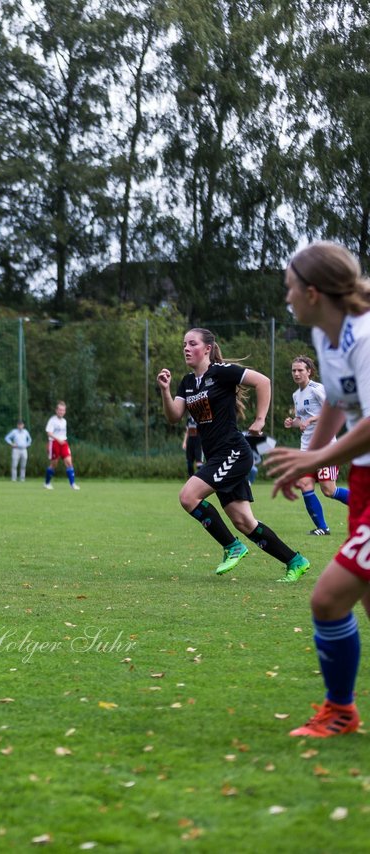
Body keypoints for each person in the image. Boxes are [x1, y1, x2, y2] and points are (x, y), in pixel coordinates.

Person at [265, 241, 370, 738]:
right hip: (364, 482)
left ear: (311, 291)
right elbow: (339, 403)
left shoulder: (365, 335)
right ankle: (343, 712)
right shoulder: (325, 336)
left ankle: (340, 711)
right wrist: (310, 459)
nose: (286, 297)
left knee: (328, 599)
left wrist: (316, 458)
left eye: (289, 287)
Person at [156, 328, 309, 582]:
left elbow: (263, 382)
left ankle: (232, 547)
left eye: (192, 344)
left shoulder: (221, 372)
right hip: (216, 456)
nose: (186, 348)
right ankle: (295, 560)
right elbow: (173, 417)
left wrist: (260, 420)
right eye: (184, 344)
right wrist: (165, 390)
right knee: (244, 522)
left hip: (234, 452)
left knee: (188, 496)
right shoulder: (187, 382)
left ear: (207, 348)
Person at [284, 355, 350, 535]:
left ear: (309, 372)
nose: (296, 373)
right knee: (304, 484)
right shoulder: (296, 395)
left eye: (300, 370)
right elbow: (301, 420)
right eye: (294, 370)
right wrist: (293, 422)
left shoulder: (317, 389)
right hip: (307, 450)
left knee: (329, 490)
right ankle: (322, 527)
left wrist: (312, 418)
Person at [44, 401, 78, 489]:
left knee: (69, 463)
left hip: (63, 443)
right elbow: (49, 433)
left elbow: (63, 434)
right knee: (54, 464)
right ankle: (47, 483)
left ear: (65, 411)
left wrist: (62, 440)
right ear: (56, 410)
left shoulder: (64, 421)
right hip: (54, 443)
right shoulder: (52, 420)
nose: (61, 412)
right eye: (59, 410)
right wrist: (57, 439)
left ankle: (72, 484)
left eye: (63, 410)